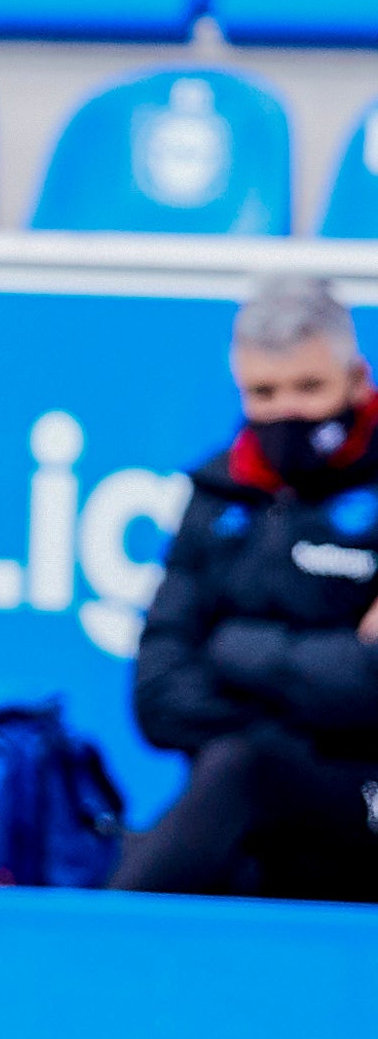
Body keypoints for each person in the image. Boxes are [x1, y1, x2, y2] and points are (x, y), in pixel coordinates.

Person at [119, 276, 378, 899]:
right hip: (251, 799)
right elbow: (157, 694)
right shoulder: (217, 494)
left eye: (309, 387)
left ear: (357, 380)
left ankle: (78, 966)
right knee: (228, 794)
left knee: (243, 771)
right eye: (263, 392)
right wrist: (318, 685)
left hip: (365, 801)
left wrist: (234, 649)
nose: (286, 412)